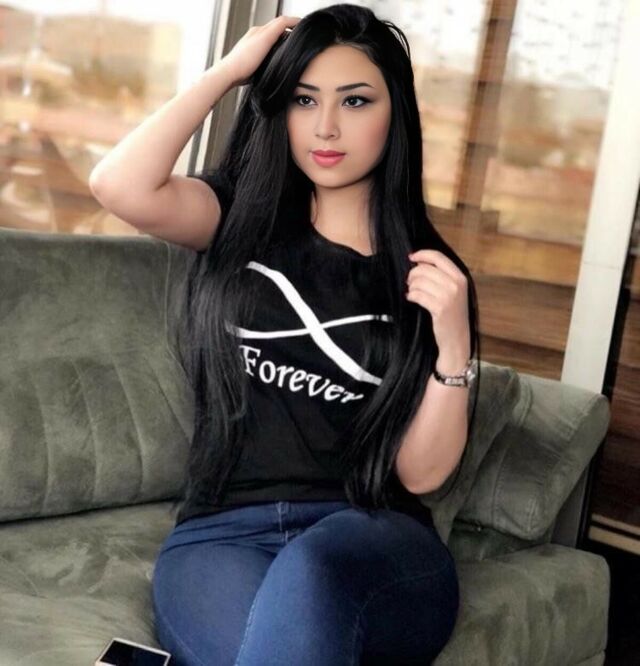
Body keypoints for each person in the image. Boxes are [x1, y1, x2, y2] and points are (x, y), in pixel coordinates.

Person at [90, 4, 480, 664]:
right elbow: (117, 184)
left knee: (311, 569)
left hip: (368, 537)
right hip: (220, 536)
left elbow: (421, 474)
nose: (325, 126)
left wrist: (456, 344)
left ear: (396, 114)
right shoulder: (237, 222)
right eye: (303, 99)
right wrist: (231, 71)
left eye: (354, 101)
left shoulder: (428, 276)